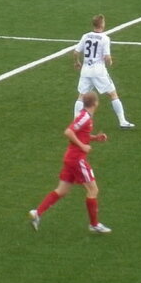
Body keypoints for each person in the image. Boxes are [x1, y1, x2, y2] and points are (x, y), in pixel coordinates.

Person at [27, 91, 111, 235]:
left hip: (70, 159)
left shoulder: (86, 116)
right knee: (93, 190)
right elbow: (68, 132)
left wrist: (95, 138)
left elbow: (80, 135)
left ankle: (37, 213)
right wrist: (83, 146)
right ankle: (94, 224)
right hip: (77, 159)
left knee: (62, 190)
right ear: (96, 103)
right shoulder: (85, 117)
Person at [73, 14, 135, 129]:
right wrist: (110, 61)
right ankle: (122, 121)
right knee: (113, 94)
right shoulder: (105, 38)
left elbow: (76, 52)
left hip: (86, 70)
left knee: (81, 96)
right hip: (99, 71)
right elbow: (107, 57)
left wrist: (77, 62)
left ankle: (76, 123)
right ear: (102, 24)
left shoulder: (85, 36)